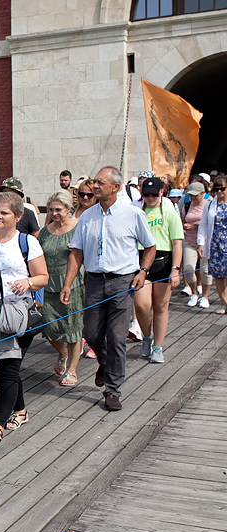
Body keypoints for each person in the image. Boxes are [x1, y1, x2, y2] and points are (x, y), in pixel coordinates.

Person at [61, 166, 155, 411]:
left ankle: (112, 390)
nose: (95, 186)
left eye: (101, 183)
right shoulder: (87, 217)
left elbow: (150, 246)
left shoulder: (133, 214)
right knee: (91, 334)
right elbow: (77, 252)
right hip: (93, 281)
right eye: (94, 182)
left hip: (123, 282)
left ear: (116, 187)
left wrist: (143, 271)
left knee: (116, 337)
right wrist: (68, 284)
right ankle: (106, 364)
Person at [0, 192, 48, 445]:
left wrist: (27, 282)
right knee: (10, 364)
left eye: (4, 212)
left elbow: (43, 277)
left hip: (19, 314)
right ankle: (20, 411)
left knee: (8, 366)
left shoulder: (27, 242)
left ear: (18, 217)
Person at [132, 178, 184, 363]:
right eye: (146, 194)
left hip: (164, 259)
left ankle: (158, 346)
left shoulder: (169, 212)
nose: (151, 198)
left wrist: (175, 269)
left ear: (161, 193)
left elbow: (177, 242)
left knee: (161, 306)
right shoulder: (137, 212)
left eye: (154, 194)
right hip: (142, 259)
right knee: (141, 304)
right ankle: (146, 337)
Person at [39, 190, 84, 386]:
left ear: (68, 209)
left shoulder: (77, 228)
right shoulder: (44, 231)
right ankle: (62, 352)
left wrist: (68, 283)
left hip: (72, 283)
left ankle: (72, 370)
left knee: (72, 328)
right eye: (51, 210)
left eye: (58, 209)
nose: (54, 213)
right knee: (48, 326)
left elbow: (80, 256)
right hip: (49, 284)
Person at [198, 175, 227, 314]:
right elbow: (203, 224)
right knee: (218, 275)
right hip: (215, 243)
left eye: (223, 189)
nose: (220, 192)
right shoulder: (209, 204)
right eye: (217, 189)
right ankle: (223, 303)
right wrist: (200, 243)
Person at [182, 180, 212, 307]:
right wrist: (185, 225)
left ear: (203, 193)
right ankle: (194, 292)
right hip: (189, 240)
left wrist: (198, 225)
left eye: (196, 195)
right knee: (188, 268)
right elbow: (182, 220)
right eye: (191, 195)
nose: (193, 197)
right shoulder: (187, 205)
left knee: (205, 271)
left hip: (206, 242)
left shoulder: (209, 205)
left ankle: (205, 296)